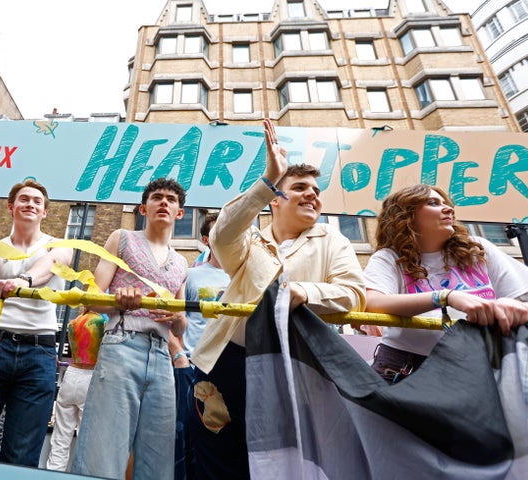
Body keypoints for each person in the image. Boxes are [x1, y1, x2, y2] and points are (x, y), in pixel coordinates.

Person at [190, 118, 366, 479]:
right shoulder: (249, 240)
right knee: (217, 464)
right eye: (299, 186)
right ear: (275, 201)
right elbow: (222, 236)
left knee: (283, 466)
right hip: (226, 366)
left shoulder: (334, 241)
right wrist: (268, 179)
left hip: (295, 369)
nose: (312, 194)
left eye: (316, 190)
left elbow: (353, 295)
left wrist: (302, 292)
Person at [71, 178, 189, 479]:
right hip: (122, 343)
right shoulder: (122, 237)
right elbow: (93, 297)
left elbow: (182, 323)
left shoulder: (182, 263)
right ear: (143, 207)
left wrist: (175, 318)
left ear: (179, 213)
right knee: (104, 448)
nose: (164, 202)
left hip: (162, 356)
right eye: (157, 197)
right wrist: (119, 302)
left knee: (159, 457)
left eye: (171, 199)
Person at [364, 184, 528, 383]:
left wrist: (516, 308)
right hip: (408, 367)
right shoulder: (388, 258)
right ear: (405, 216)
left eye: (447, 203)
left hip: (482, 365)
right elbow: (372, 303)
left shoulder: (478, 249)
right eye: (433, 203)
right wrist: (445, 297)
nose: (448, 209)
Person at [0, 178, 73, 467]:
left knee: (21, 452)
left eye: (37, 201)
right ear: (11, 207)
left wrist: (21, 281)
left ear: (45, 212)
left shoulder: (58, 245)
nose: (31, 204)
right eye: (24, 199)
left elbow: (49, 267)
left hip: (40, 352)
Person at [168, 212, 230, 480]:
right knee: (187, 441)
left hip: (234, 371)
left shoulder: (249, 277)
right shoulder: (191, 275)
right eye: (218, 231)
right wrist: (180, 356)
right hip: (195, 370)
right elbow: (174, 321)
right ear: (206, 240)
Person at [45, 309, 105, 472]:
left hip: (71, 374)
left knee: (60, 437)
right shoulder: (103, 321)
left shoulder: (74, 322)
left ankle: (53, 473)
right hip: (91, 374)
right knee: (86, 438)